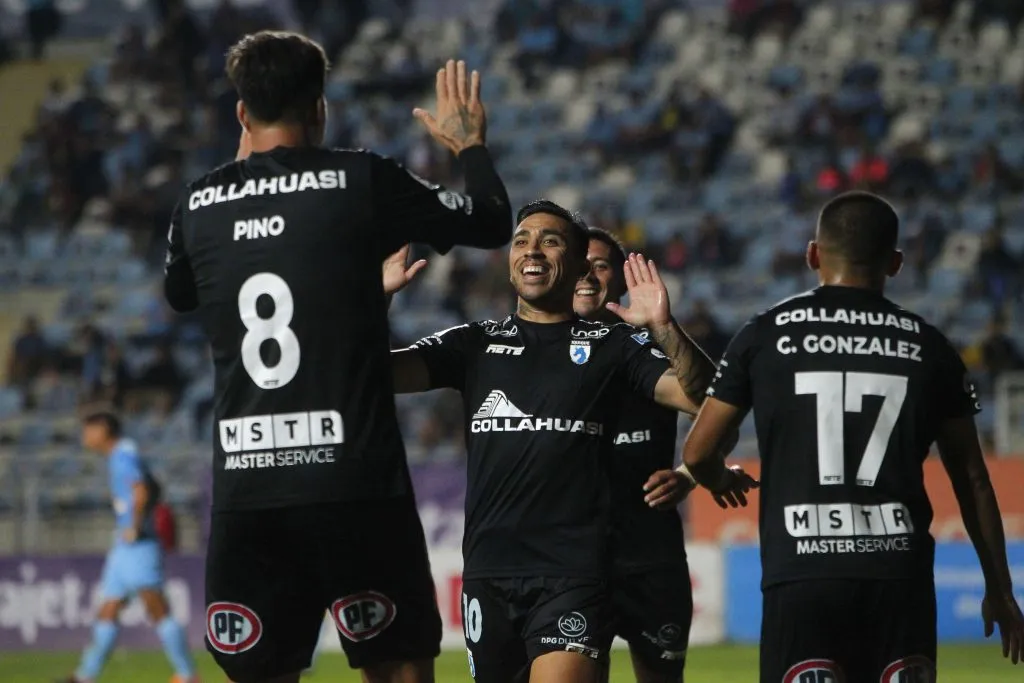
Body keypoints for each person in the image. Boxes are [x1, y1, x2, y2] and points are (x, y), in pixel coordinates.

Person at [163, 30, 512, 683]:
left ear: (241, 112)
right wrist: (469, 144)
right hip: (353, 482)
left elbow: (182, 291)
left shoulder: (197, 204)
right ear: (319, 107)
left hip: (248, 487)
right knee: (400, 666)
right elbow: (492, 220)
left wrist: (239, 181)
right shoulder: (359, 179)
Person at [387, 200, 755, 683]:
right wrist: (378, 300)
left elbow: (705, 398)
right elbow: (378, 372)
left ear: (580, 267)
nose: (532, 249)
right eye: (522, 240)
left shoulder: (612, 346)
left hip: (573, 574)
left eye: (550, 240)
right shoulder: (473, 343)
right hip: (488, 573)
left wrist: (663, 328)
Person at [683, 191, 1024, 682]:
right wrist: (1000, 587)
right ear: (896, 263)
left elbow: (697, 452)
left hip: (800, 576)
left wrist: (718, 479)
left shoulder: (764, 335)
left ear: (813, 255)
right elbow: (972, 478)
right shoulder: (932, 347)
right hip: (898, 580)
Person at [574, 227, 696, 683]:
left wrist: (689, 473)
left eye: (600, 265)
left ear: (621, 281)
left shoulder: (653, 353)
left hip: (652, 558)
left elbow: (716, 409)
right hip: (575, 565)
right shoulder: (533, 350)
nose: (587, 273)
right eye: (579, 262)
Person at [60, 412, 197, 683]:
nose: (85, 436)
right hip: (123, 546)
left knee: (156, 606)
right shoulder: (120, 455)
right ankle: (85, 676)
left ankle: (187, 675)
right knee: (109, 607)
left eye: (88, 430)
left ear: (103, 429)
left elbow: (141, 490)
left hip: (138, 544)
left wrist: (135, 524)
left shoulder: (123, 454)